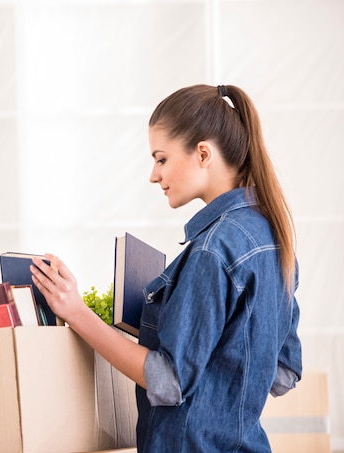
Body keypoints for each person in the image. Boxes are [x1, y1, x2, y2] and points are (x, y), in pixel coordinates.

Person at [30, 84, 302, 452]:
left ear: (203, 153)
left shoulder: (212, 251)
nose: (154, 175)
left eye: (161, 159)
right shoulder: (274, 239)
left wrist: (77, 313)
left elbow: (169, 381)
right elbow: (283, 375)